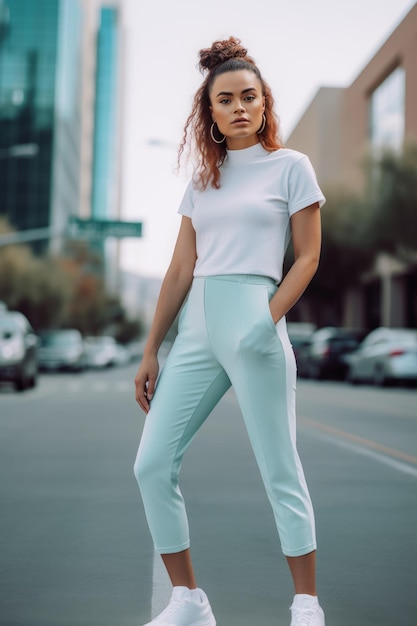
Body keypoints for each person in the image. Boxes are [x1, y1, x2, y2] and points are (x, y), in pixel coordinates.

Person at [134, 36, 326, 626]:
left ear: (264, 103)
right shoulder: (203, 180)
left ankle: (306, 604)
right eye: (226, 99)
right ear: (210, 113)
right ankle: (189, 600)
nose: (239, 106)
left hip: (255, 318)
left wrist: (264, 322)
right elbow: (179, 269)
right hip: (195, 327)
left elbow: (308, 258)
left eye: (249, 96)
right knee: (151, 464)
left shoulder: (291, 167)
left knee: (280, 468)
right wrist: (150, 351)